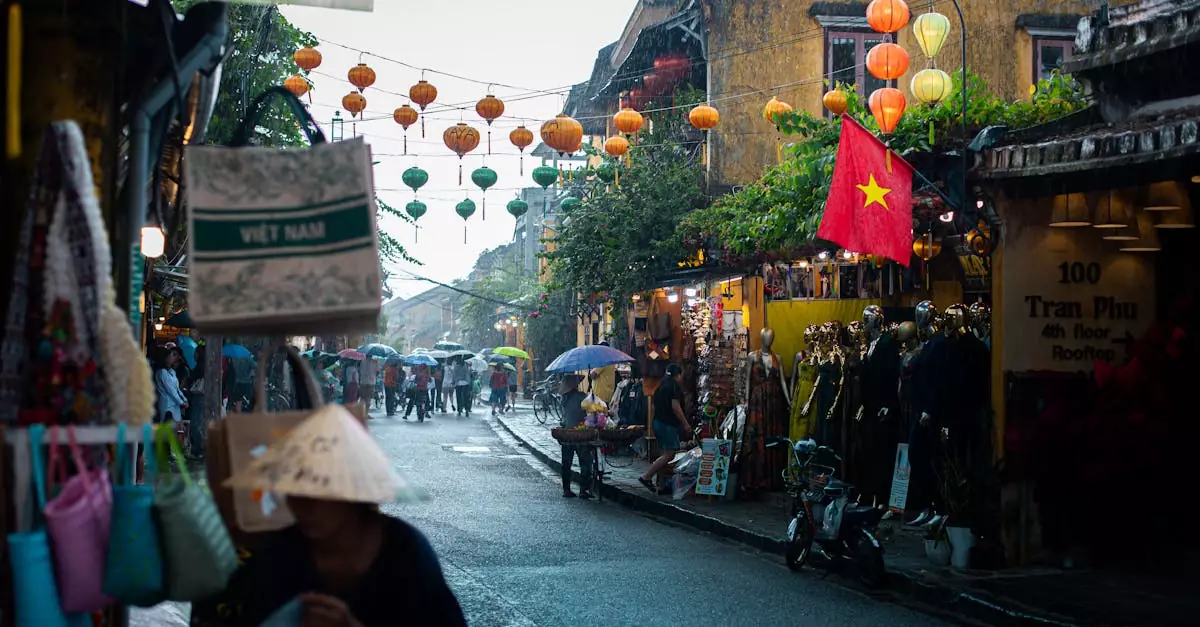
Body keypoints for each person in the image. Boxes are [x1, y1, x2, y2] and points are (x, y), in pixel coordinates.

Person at [222, 403, 466, 627]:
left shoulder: (406, 552)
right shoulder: (281, 552)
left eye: (323, 491)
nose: (307, 504)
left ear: (354, 493)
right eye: (296, 490)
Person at [639, 363, 691, 495]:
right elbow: (675, 406)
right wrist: (685, 423)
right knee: (670, 454)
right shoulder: (674, 386)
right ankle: (646, 476)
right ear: (678, 375)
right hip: (667, 424)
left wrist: (652, 424)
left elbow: (653, 407)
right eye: (681, 375)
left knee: (664, 454)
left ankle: (660, 485)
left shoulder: (661, 386)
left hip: (658, 422)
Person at [558, 375, 593, 499]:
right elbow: (590, 410)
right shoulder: (582, 397)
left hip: (566, 433)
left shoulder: (563, 399)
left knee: (566, 463)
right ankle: (583, 490)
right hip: (580, 433)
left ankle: (566, 489)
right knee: (585, 461)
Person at [155, 346, 189, 424]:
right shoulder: (162, 372)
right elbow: (171, 390)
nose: (173, 357)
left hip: (175, 405)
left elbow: (177, 389)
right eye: (172, 355)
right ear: (165, 358)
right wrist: (182, 402)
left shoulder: (172, 371)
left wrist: (184, 399)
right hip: (167, 405)